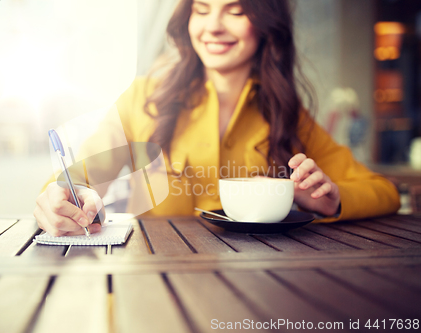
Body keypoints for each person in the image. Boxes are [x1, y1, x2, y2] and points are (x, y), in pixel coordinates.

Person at [34, 0, 400, 236]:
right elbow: (79, 180)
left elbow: (384, 192)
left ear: (266, 21)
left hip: (265, 292)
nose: (213, 26)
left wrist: (330, 201)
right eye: (202, 8)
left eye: (236, 10)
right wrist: (64, 200)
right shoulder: (143, 98)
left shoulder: (288, 114)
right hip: (154, 290)